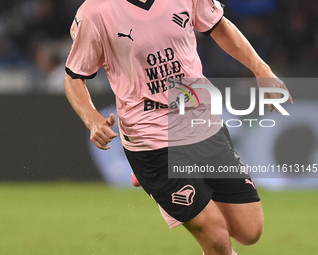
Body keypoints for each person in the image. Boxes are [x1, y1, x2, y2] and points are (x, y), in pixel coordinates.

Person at [64, 0, 293, 254]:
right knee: (216, 238)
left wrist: (261, 69)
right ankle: (151, 173)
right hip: (150, 136)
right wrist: (92, 119)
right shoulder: (95, 11)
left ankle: (150, 179)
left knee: (250, 231)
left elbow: (219, 26)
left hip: (201, 121)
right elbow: (74, 76)